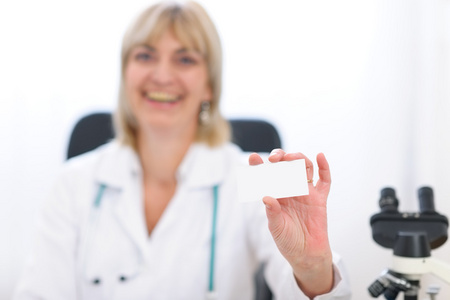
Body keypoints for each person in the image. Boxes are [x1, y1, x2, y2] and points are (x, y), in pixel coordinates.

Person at [14, 1, 351, 299]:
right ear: (126, 73)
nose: (162, 75)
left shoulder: (258, 177)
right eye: (145, 55)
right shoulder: (74, 182)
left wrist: (312, 266)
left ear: (209, 84)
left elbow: (309, 290)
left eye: (185, 59)